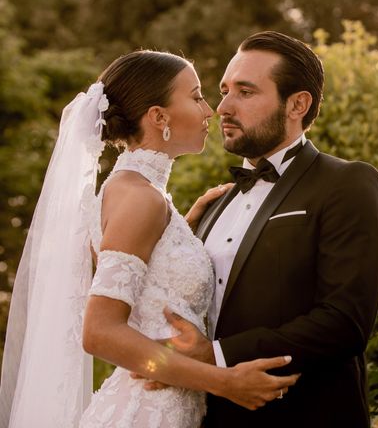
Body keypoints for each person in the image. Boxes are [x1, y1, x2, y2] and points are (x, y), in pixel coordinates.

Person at [0, 50, 298, 427]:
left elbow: (149, 285)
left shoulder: (133, 191)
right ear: (159, 117)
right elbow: (100, 332)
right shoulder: (140, 198)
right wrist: (225, 382)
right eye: (196, 96)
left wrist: (185, 226)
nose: (210, 111)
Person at [156, 31, 378, 427]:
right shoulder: (216, 203)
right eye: (224, 90)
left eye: (246, 92)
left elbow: (344, 323)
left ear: (297, 104)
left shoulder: (349, 184)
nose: (224, 107)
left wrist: (214, 355)